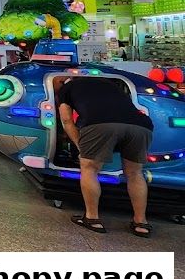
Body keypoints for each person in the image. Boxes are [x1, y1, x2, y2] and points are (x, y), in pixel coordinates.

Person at [56, 76, 153, 237]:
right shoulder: (110, 84)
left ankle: (92, 218)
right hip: (141, 126)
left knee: (90, 168)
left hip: (99, 123)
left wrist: (81, 147)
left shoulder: (66, 88)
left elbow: (66, 120)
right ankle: (141, 222)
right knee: (135, 173)